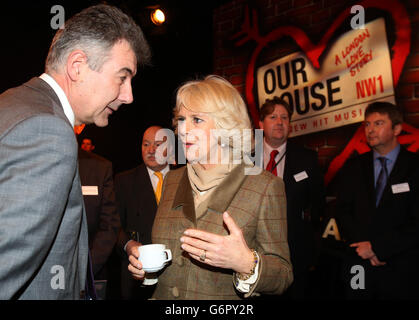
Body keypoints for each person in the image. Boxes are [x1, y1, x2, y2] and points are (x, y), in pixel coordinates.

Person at [0, 4, 150, 299]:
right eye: (122, 77)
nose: (129, 96)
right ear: (77, 66)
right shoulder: (49, 131)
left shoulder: (13, 102)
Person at [127, 75, 293, 299]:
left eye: (196, 119)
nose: (183, 130)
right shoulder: (172, 181)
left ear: (226, 126)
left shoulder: (264, 187)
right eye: (181, 119)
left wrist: (246, 263)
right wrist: (145, 270)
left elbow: (283, 275)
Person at [336, 101, 419, 299]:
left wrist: (378, 249)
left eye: (378, 123)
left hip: (401, 265)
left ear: (397, 128)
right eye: (367, 125)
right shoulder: (354, 166)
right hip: (359, 264)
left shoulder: (415, 166)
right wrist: (364, 247)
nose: (371, 130)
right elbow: (342, 211)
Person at [258, 96, 325, 299]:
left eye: (284, 117)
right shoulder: (246, 158)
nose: (279, 122)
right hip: (256, 251)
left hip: (296, 252)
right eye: (273, 117)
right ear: (261, 124)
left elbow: (319, 206)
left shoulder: (307, 158)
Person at [114, 125, 171, 299]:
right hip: (137, 275)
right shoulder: (124, 181)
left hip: (177, 273)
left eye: (158, 144)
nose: (151, 150)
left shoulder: (186, 178)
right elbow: (112, 225)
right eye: (146, 144)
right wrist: (128, 244)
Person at [76, 126, 120, 300]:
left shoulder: (100, 167)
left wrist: (85, 269)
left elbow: (110, 224)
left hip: (93, 271)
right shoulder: (34, 159)